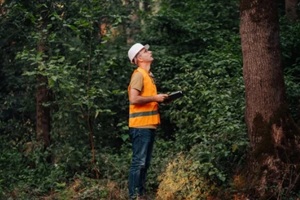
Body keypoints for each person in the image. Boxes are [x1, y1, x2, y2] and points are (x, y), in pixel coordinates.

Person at [127, 43, 168, 200]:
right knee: (139, 162)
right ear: (139, 58)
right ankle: (134, 196)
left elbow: (146, 100)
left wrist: (161, 100)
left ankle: (141, 195)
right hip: (140, 126)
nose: (149, 52)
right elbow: (134, 99)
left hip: (148, 125)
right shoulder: (138, 74)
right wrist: (155, 98)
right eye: (145, 51)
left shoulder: (148, 76)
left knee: (145, 163)